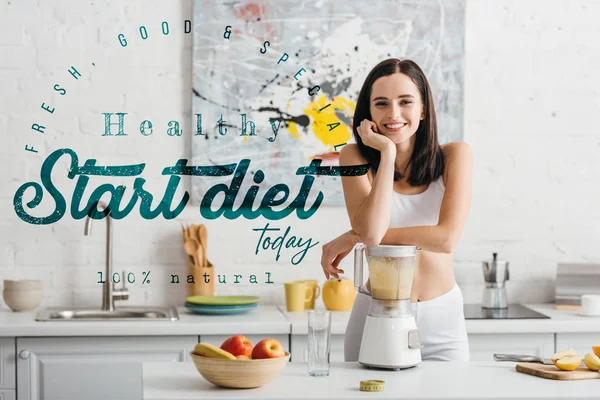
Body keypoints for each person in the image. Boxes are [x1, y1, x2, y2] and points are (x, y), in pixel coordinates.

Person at [320, 58, 473, 362]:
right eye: (381, 104)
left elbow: (445, 240)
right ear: (368, 113)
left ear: (423, 109)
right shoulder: (353, 157)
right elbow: (371, 232)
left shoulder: (456, 155)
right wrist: (387, 152)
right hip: (376, 313)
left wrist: (354, 237)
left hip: (442, 317)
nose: (393, 114)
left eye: (405, 102)